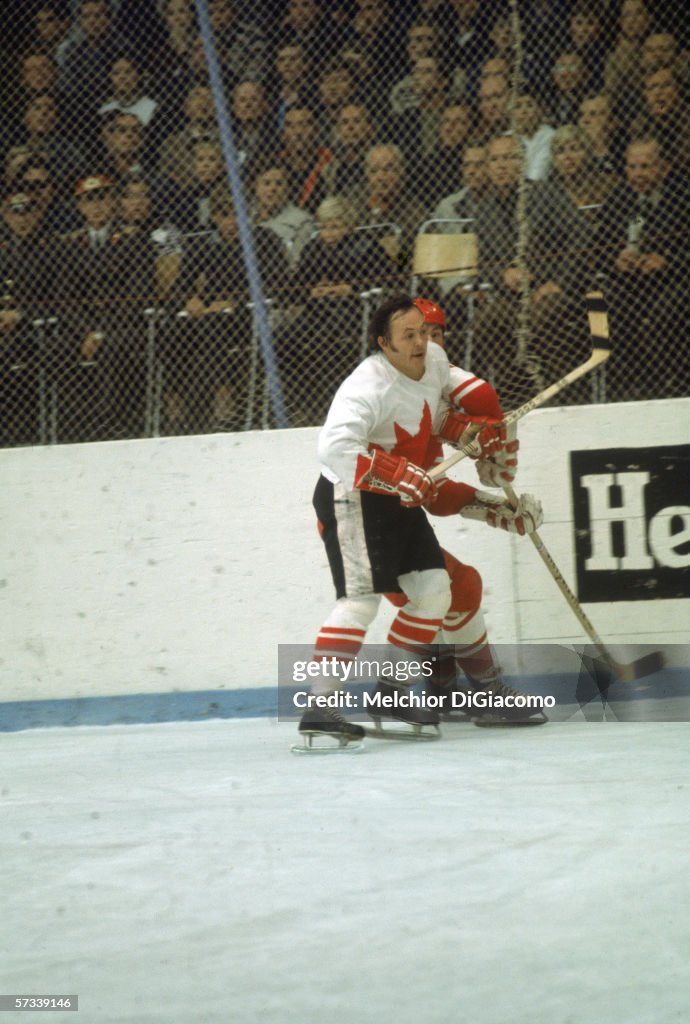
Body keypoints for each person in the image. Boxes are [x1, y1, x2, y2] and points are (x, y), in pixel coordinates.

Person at [296, 293, 545, 748]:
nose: (421, 342)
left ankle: (390, 694)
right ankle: (320, 706)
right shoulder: (366, 387)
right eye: (408, 336)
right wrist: (393, 471)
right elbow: (333, 448)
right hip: (350, 498)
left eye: (424, 333)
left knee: (434, 591)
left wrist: (473, 435)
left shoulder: (433, 363)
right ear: (383, 344)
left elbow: (435, 421)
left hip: (395, 502)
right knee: (360, 601)